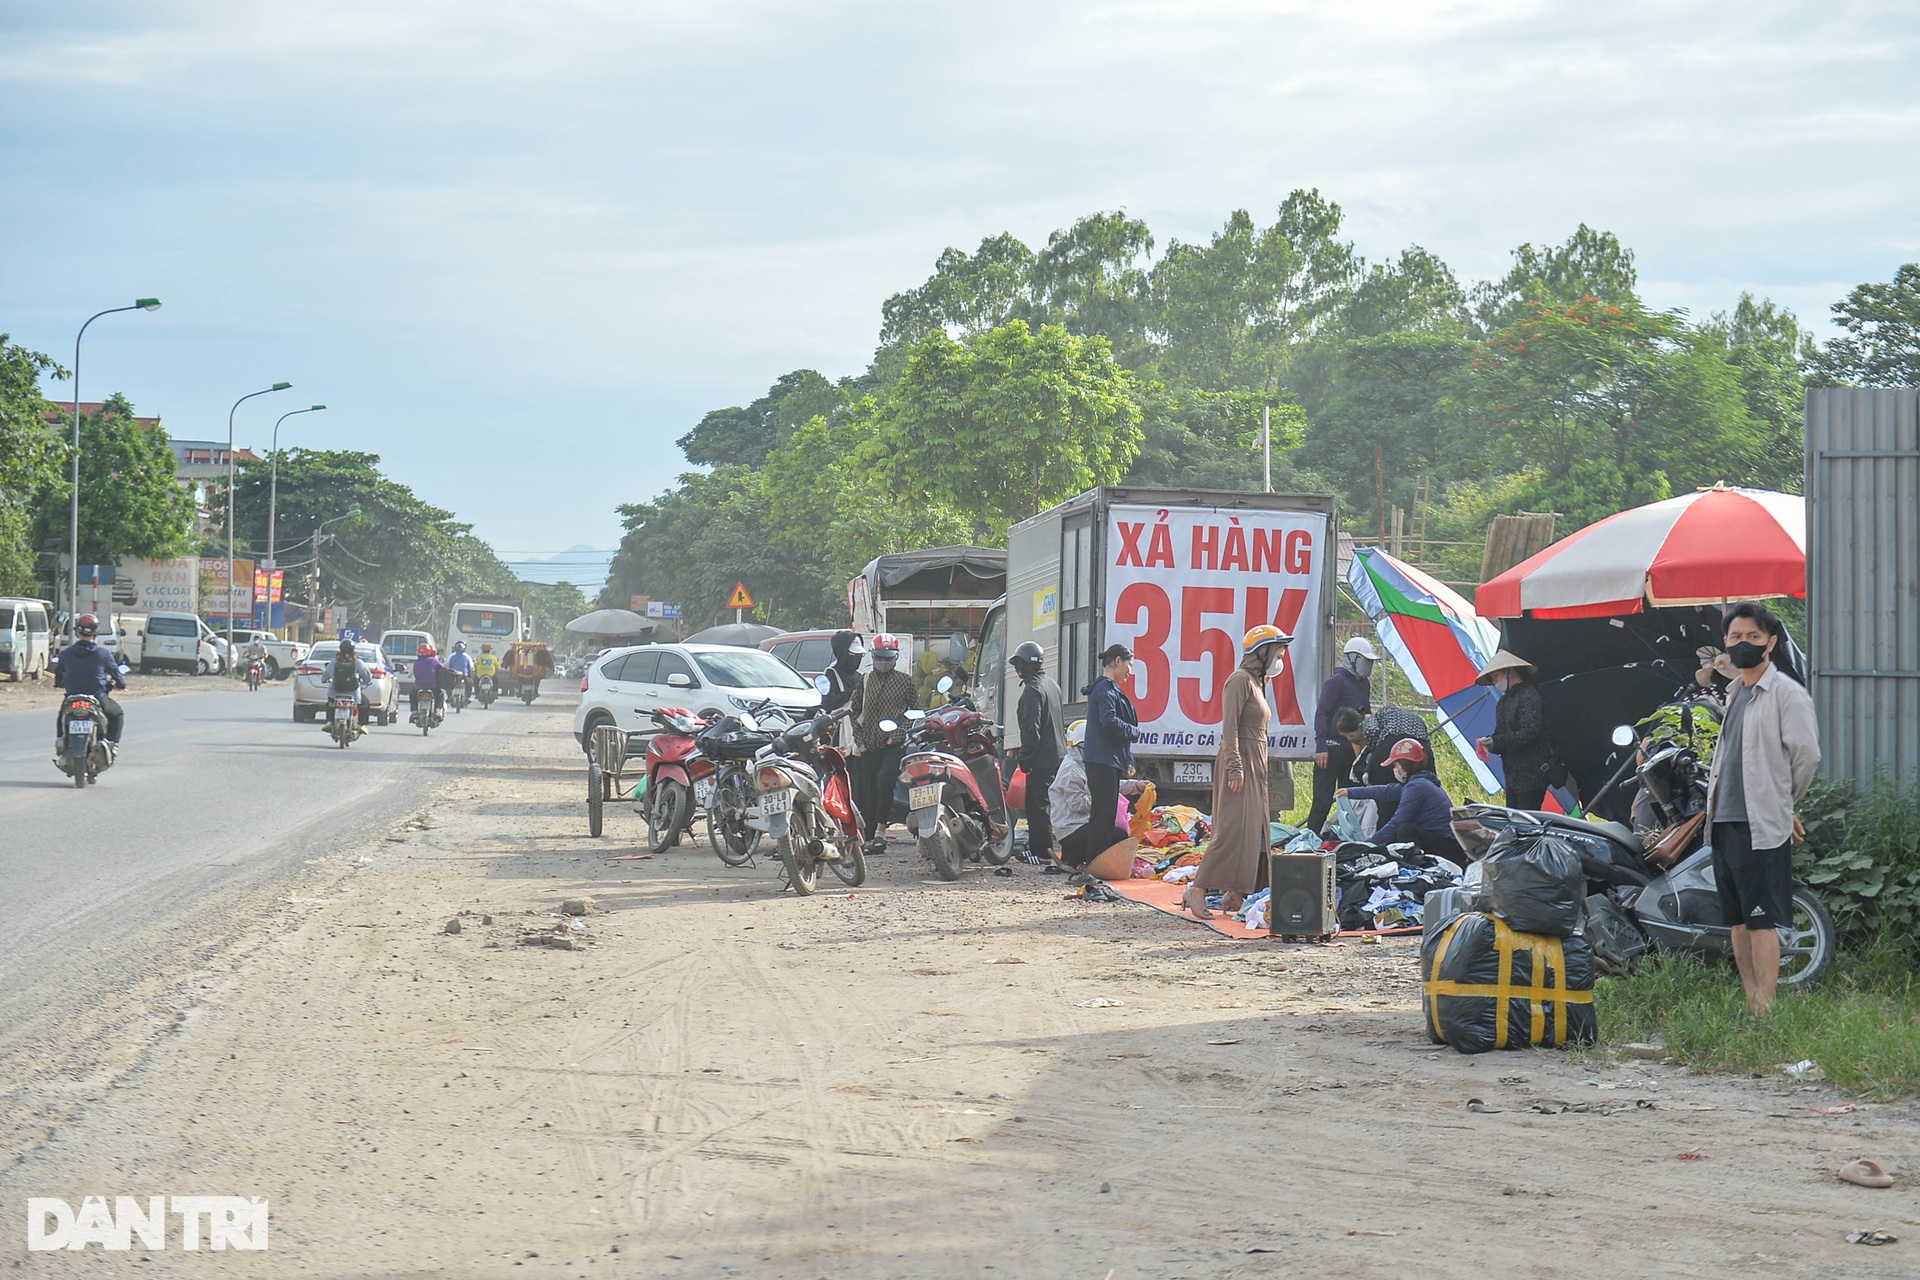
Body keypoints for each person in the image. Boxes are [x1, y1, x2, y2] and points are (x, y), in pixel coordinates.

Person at [1704, 600, 1821, 1016]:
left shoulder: (1786, 693)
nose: (1743, 644)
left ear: (1770, 642)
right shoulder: (1736, 692)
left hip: (1760, 825)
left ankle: (1765, 1008)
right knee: (1736, 920)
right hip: (1724, 821)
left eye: (1752, 637)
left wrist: (1783, 802)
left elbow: (1806, 756)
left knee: (1761, 918)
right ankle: (1750, 997)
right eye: (1735, 637)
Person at [1185, 626, 1289, 917]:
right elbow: (1229, 728)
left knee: (1255, 831)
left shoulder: (1258, 684)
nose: (1281, 657)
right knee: (1231, 831)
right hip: (1240, 760)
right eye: (1277, 651)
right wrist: (1235, 767)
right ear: (1262, 651)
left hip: (1256, 764)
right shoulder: (1239, 681)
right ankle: (1198, 889)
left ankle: (1236, 892)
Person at [849, 632, 918, 855]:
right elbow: (855, 711)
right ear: (873, 656)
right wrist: (859, 741)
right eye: (879, 657)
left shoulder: (904, 681)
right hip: (868, 743)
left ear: (895, 658)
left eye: (888, 658)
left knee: (885, 780)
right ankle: (868, 837)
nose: (883, 662)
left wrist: (897, 735)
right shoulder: (865, 679)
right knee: (867, 788)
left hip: (892, 743)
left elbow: (913, 712)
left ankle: (880, 829)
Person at [1337, 738, 1463, 861]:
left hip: (1448, 848)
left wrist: (1366, 846)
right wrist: (1350, 792)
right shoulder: (1419, 783)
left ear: (1405, 764)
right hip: (1449, 843)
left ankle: (1418, 864)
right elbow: (1386, 791)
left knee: (1405, 829)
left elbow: (1397, 822)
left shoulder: (1417, 787)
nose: (1395, 770)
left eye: (1396, 765)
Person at [1082, 643, 1140, 870]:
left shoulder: (1108, 688)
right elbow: (1110, 722)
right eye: (1129, 665)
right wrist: (1134, 732)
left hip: (1108, 760)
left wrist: (1127, 759)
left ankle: (1098, 865)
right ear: (1117, 661)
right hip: (1102, 761)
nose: (1130, 671)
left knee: (1105, 816)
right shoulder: (1105, 689)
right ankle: (1095, 866)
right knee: (1102, 817)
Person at [1310, 637, 1378, 831]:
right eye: (1365, 660)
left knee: (1350, 801)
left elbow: (1366, 713)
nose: (1368, 666)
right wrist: (1321, 746)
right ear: (1352, 659)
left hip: (1352, 752)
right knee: (1322, 802)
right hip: (1331, 751)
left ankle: (1345, 839)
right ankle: (1310, 842)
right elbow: (1321, 712)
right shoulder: (1336, 682)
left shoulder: (1364, 683)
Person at [1474, 650, 1555, 811]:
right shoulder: (1503, 702)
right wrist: (1490, 742)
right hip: (1512, 775)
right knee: (1512, 819)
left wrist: (1497, 741)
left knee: (1526, 821)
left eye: (1497, 676)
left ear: (1509, 670)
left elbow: (1529, 732)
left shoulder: (1530, 695)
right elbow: (1501, 732)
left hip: (1533, 773)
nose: (1495, 681)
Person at [1011, 640, 1068, 864]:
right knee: (1053, 804)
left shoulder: (1032, 690)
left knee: (1038, 806)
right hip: (1058, 755)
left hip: (1042, 758)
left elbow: (1030, 730)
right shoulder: (1051, 685)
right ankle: (1050, 848)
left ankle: (1041, 853)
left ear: (1023, 665)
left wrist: (1025, 759)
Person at [52, 613, 126, 751]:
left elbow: (58, 674)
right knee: (117, 714)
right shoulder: (103, 654)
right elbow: (116, 673)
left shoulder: (66, 654)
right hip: (98, 698)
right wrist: (121, 684)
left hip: (72, 698)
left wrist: (59, 683)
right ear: (96, 633)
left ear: (77, 633)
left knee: (62, 716)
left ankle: (61, 740)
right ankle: (112, 744)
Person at [1049, 719, 1094, 869]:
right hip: (1071, 828)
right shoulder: (1072, 770)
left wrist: (1134, 786)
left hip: (1077, 824)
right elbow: (1078, 804)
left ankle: (1072, 858)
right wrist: (1103, 801)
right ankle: (1085, 861)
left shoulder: (1082, 764)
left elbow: (1106, 784)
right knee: (1115, 835)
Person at [323, 639, 374, 735]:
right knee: (365, 704)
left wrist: (325, 680)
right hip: (353, 693)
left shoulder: (334, 662)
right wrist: (367, 682)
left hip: (335, 692)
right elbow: (366, 675)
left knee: (330, 704)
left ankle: (330, 722)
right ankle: (362, 725)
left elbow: (325, 676)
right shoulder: (358, 663)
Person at [411, 644, 447, 719]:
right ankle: (437, 710)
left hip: (418, 685)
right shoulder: (434, 661)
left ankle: (414, 711)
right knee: (439, 695)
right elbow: (444, 668)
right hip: (432, 685)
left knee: (412, 695)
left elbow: (412, 673)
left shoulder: (416, 662)